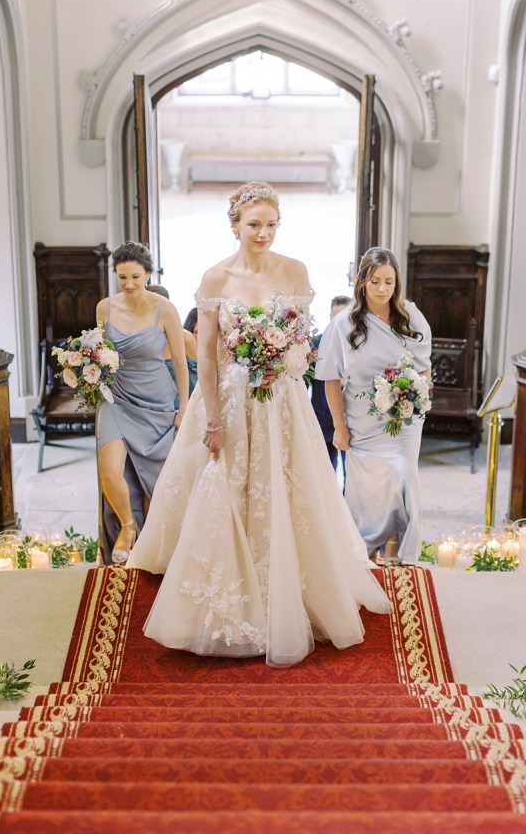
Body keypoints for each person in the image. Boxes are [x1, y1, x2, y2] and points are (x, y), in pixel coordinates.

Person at [127, 181, 391, 667]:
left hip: (283, 400)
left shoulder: (294, 271)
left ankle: (294, 591)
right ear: (235, 226)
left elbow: (302, 342)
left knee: (290, 488)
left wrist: (286, 360)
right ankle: (228, 598)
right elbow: (206, 355)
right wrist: (210, 415)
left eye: (271, 224)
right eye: (254, 224)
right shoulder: (215, 279)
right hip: (232, 398)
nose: (263, 233)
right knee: (229, 488)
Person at [316, 248, 431, 563]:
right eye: (376, 281)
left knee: (403, 475)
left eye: (389, 282)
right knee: (368, 489)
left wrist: (419, 394)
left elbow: (423, 368)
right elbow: (329, 379)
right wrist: (339, 427)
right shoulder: (344, 324)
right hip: (361, 419)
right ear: (362, 282)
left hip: (404, 417)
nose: (383, 289)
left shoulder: (410, 316)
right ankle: (366, 546)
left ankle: (396, 543)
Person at [95, 242, 189, 565]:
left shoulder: (166, 310)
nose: (129, 284)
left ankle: (156, 551)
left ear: (148, 273)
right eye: (122, 277)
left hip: (156, 404)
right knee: (109, 470)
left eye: (135, 276)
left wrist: (184, 407)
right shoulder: (103, 309)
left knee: (157, 486)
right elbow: (99, 353)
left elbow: (180, 362)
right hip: (116, 399)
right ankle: (127, 525)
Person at [310, 295, 351, 474]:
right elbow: (302, 384)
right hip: (322, 419)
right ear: (329, 318)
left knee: (352, 473)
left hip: (353, 419)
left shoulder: (363, 344)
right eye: (336, 319)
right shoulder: (315, 344)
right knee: (325, 473)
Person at [148, 285, 198, 411]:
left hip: (177, 410)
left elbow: (197, 381)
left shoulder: (186, 338)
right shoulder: (137, 337)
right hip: (145, 406)